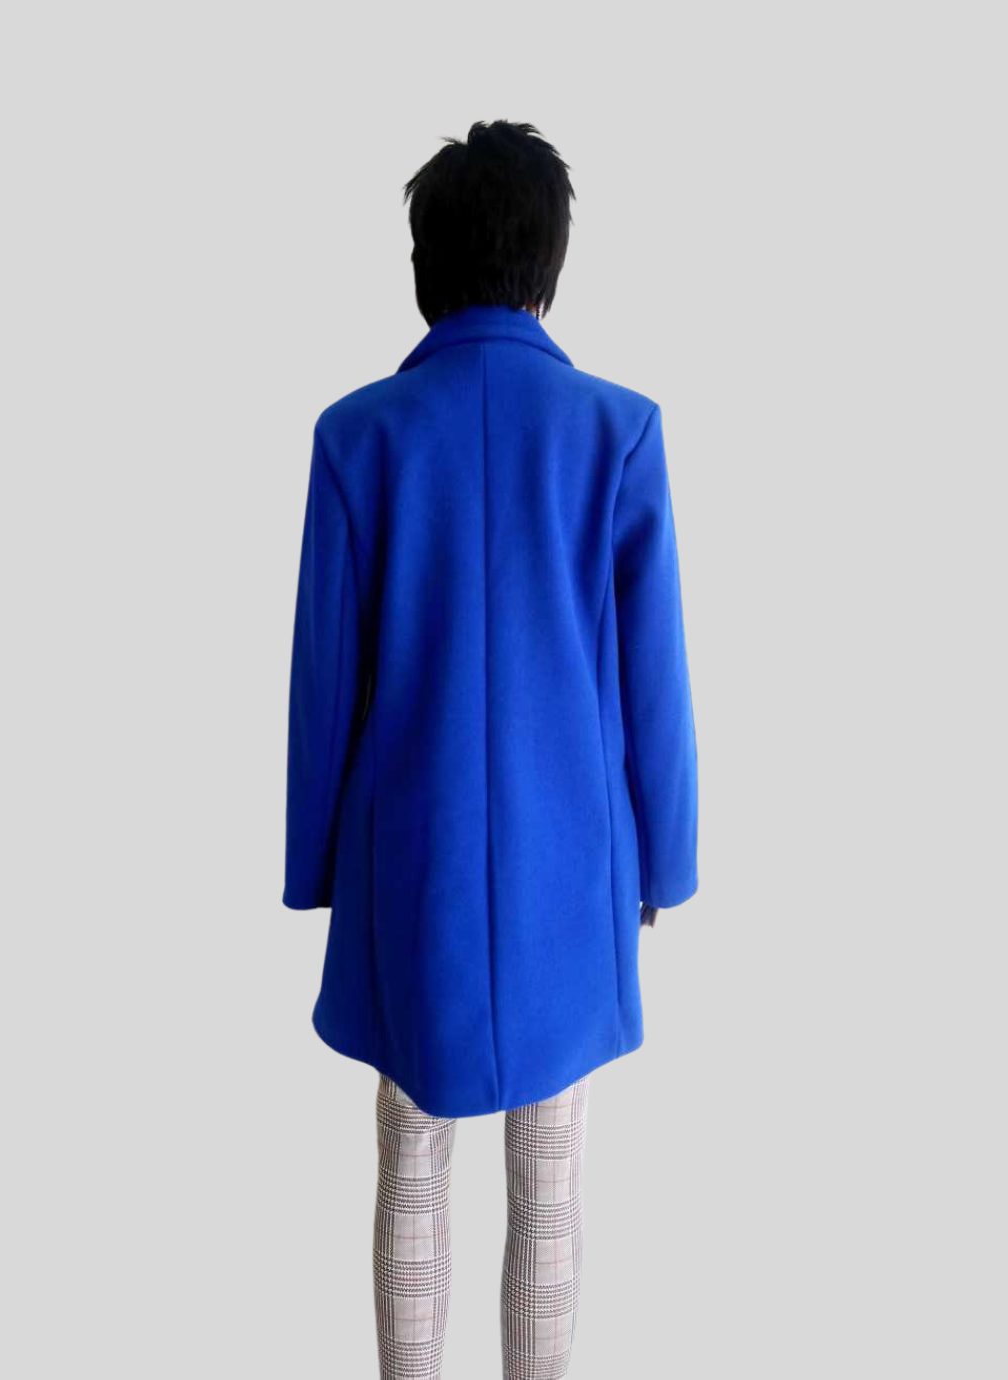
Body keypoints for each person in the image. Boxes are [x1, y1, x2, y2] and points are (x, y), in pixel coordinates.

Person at [283, 119, 699, 1380]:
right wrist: (665, 865)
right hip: (573, 862)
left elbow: (323, 681)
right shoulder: (616, 431)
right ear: (547, 265)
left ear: (425, 263)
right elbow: (655, 683)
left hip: (408, 862)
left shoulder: (358, 436)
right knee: (549, 1175)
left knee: (410, 1155)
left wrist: (314, 865)